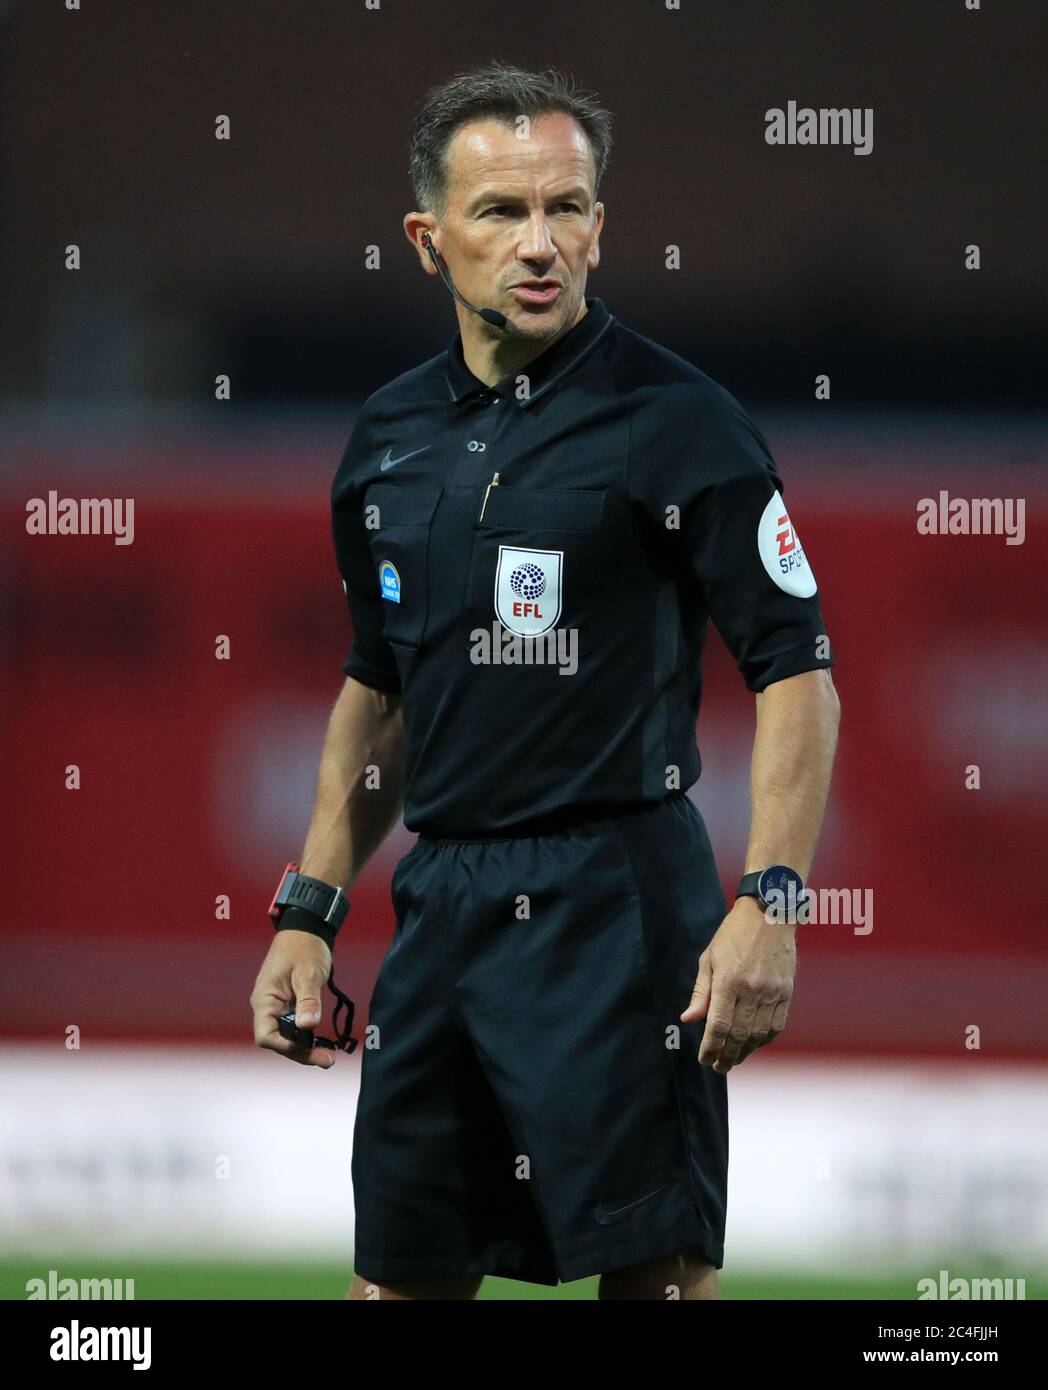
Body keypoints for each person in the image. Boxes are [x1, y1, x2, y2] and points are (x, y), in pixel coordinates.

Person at [250, 62, 841, 1301]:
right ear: (427, 239)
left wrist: (771, 898)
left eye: (565, 208)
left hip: (616, 905)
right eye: (502, 211)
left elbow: (796, 670)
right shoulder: (385, 440)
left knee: (656, 1281)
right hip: (442, 909)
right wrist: (309, 908)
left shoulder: (678, 420)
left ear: (599, 227)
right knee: (395, 1283)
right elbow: (379, 689)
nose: (540, 242)